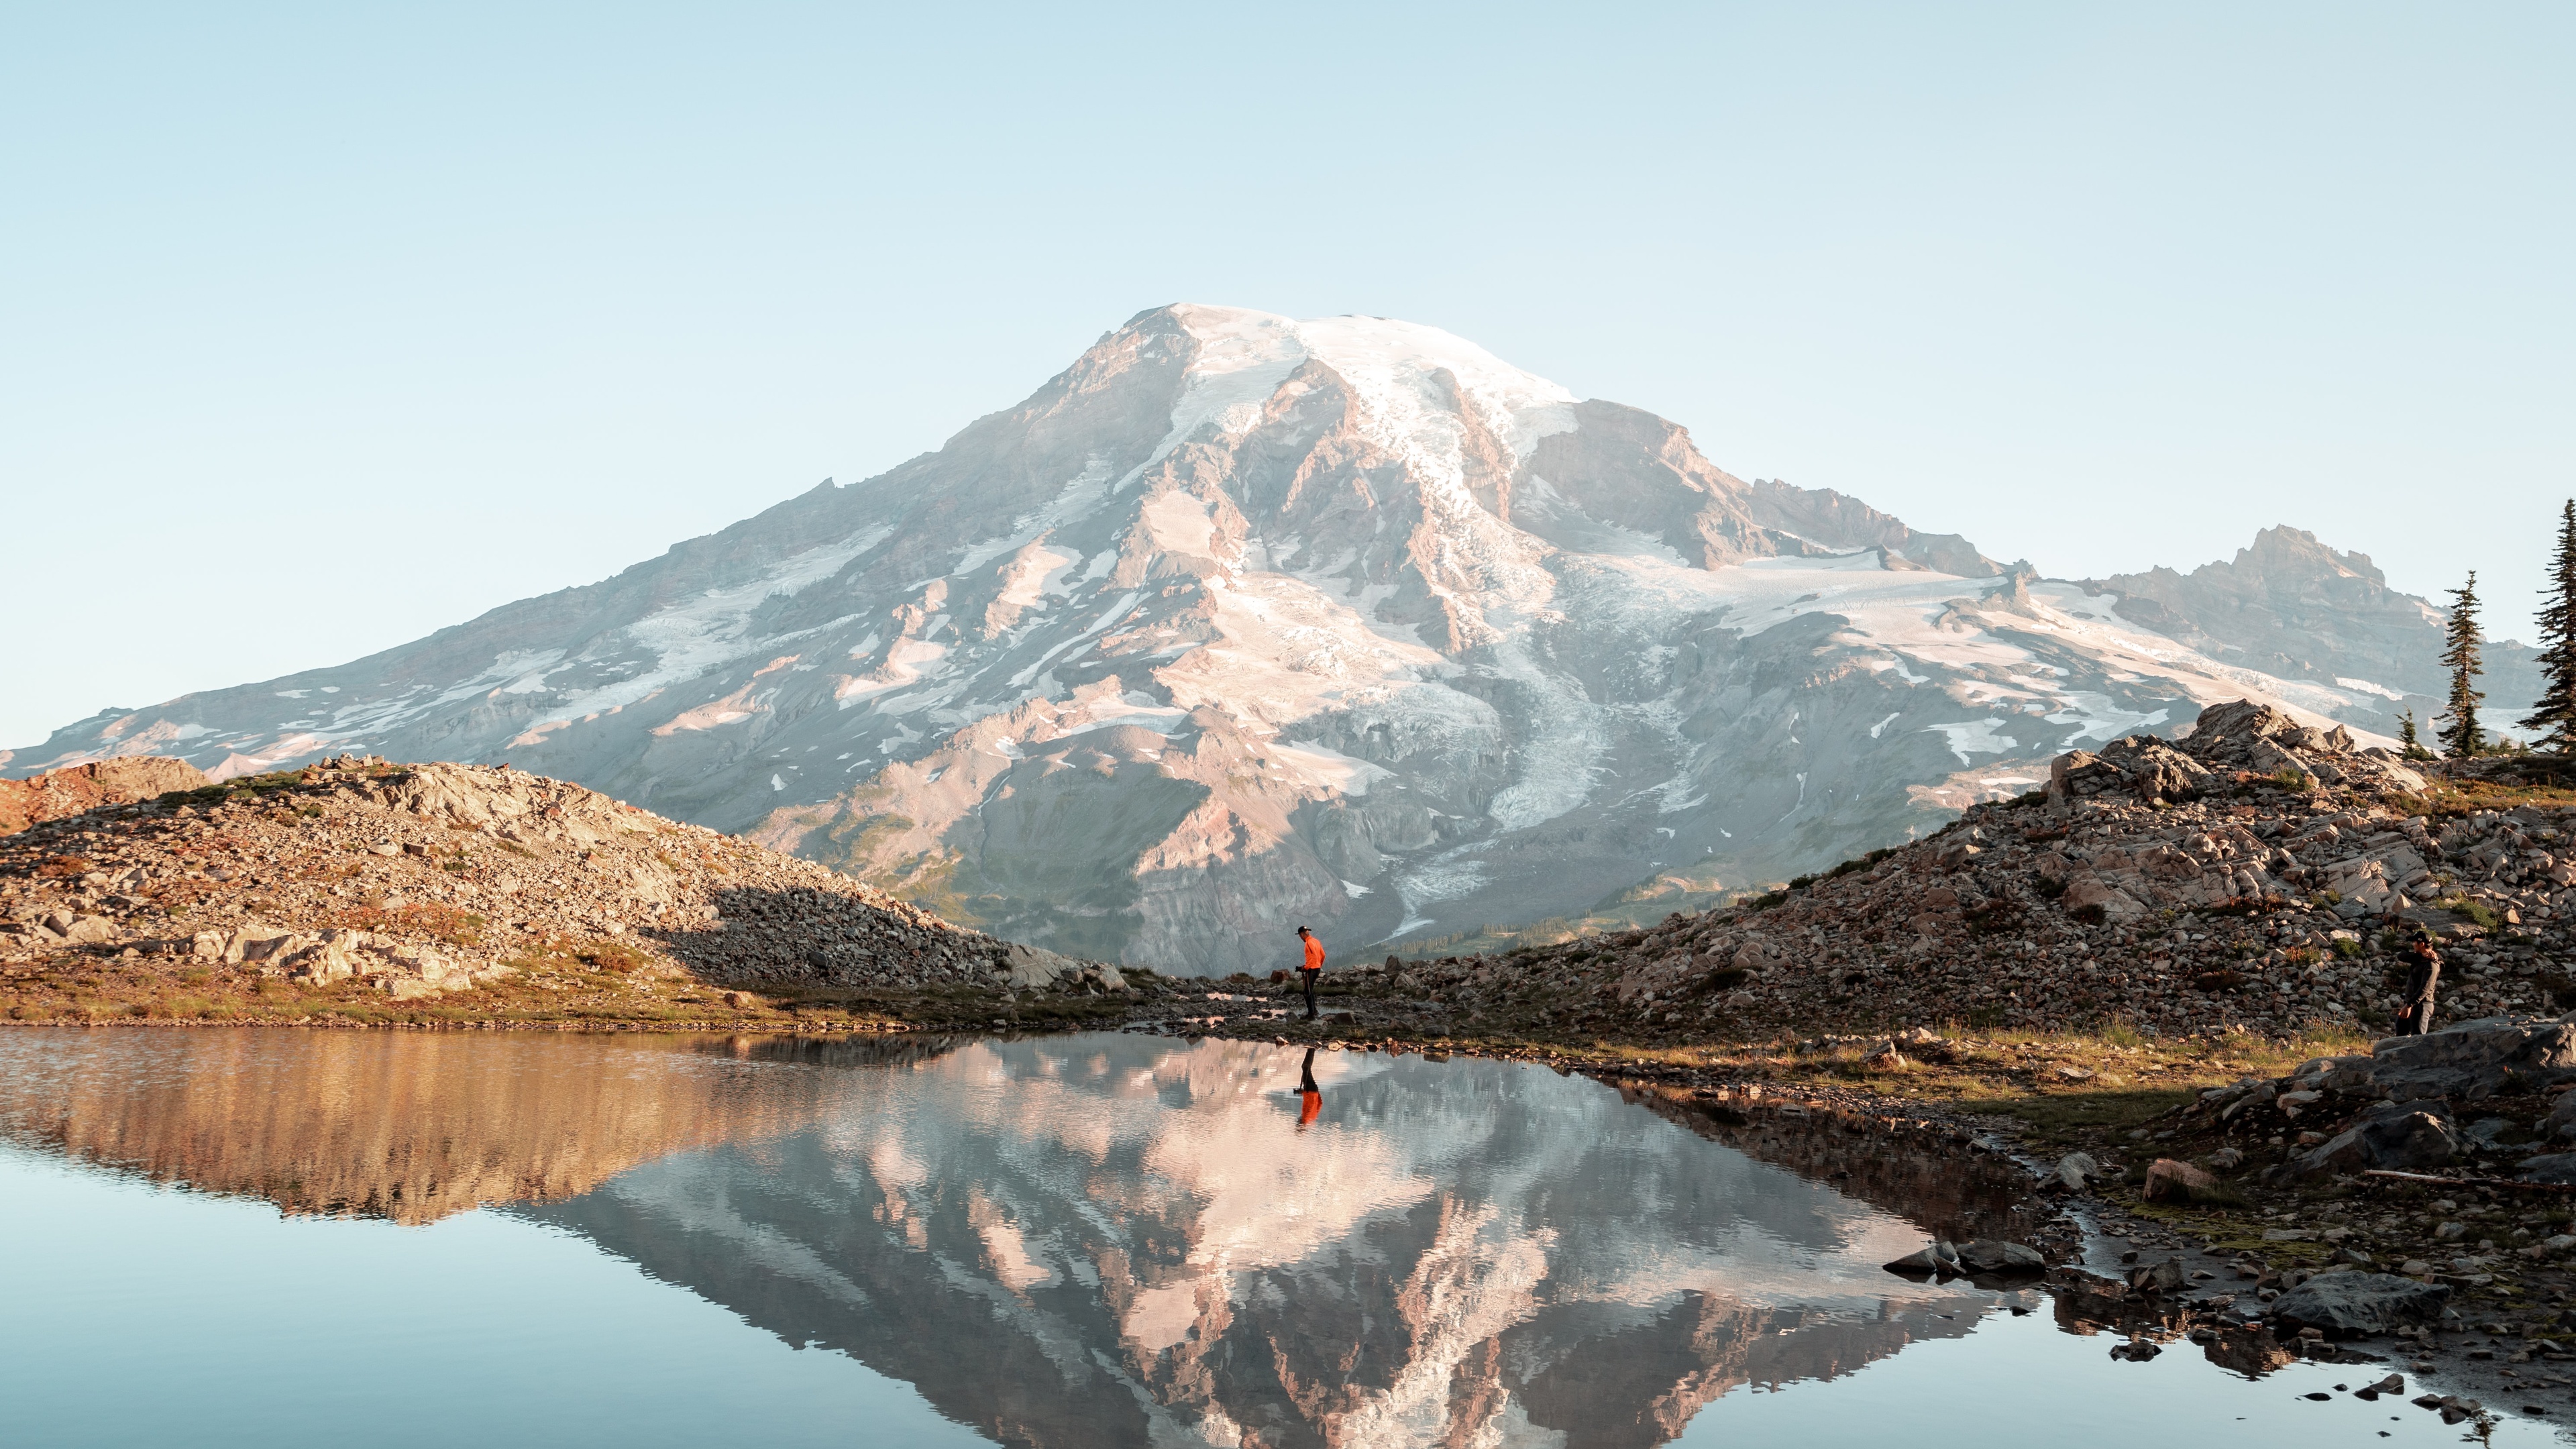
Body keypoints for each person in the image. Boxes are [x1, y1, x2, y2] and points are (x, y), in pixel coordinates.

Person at [2397, 928, 2443, 1036]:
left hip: (2421, 1006)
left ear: (2422, 944)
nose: (2413, 945)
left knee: (2418, 1038)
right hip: (2410, 1004)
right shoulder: (2418, 958)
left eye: (2414, 942)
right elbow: (2401, 956)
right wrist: (2421, 955)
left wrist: (2409, 1005)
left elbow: (2425, 988)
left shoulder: (2431, 964)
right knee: (2401, 1034)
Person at [1295, 925, 1325, 1020]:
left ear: (1302, 934)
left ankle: (1311, 1015)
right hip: (1317, 968)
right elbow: (1323, 955)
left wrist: (1305, 968)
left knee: (1307, 992)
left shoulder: (1308, 943)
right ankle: (1314, 1011)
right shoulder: (1316, 941)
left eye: (1300, 936)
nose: (1300, 938)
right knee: (1310, 989)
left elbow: (1313, 957)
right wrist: (1319, 965)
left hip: (1312, 969)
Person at [1297, 1046, 1321, 1128]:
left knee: (1306, 1068)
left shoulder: (1312, 1118)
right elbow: (1310, 1104)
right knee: (1306, 1067)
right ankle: (1312, 1049)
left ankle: (1311, 1049)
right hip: (1310, 1090)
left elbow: (1320, 1105)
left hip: (1314, 1091)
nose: (1297, 1120)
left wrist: (1317, 1095)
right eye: (1297, 1123)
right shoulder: (1306, 1117)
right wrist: (1304, 1092)